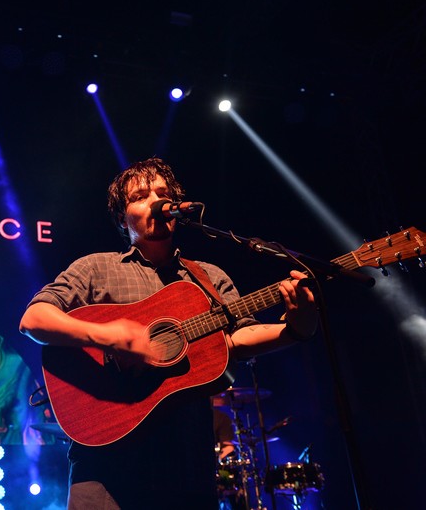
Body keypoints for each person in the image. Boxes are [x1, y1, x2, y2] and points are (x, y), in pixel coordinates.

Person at [19, 157, 318, 509]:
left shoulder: (207, 277)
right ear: (122, 216)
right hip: (105, 466)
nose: (157, 202)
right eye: (142, 196)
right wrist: (106, 336)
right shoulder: (95, 268)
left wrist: (295, 328)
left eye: (163, 194)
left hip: (186, 465)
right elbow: (34, 319)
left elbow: (237, 340)